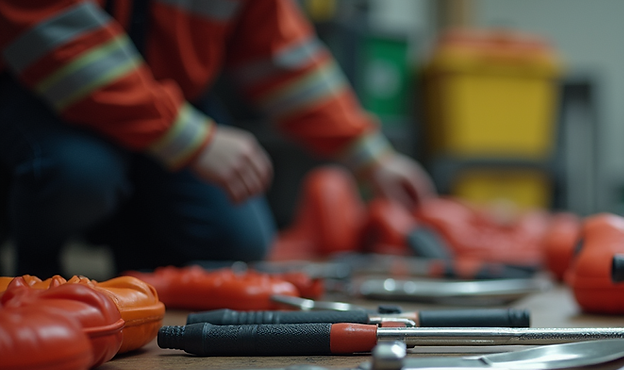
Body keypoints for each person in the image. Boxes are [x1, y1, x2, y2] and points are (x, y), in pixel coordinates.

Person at [0, 0, 435, 278]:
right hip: (45, 88)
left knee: (236, 243)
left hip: (172, 97)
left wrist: (371, 156)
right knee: (79, 175)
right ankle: (35, 271)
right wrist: (190, 140)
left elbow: (282, 57)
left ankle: (135, 257)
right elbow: (57, 36)